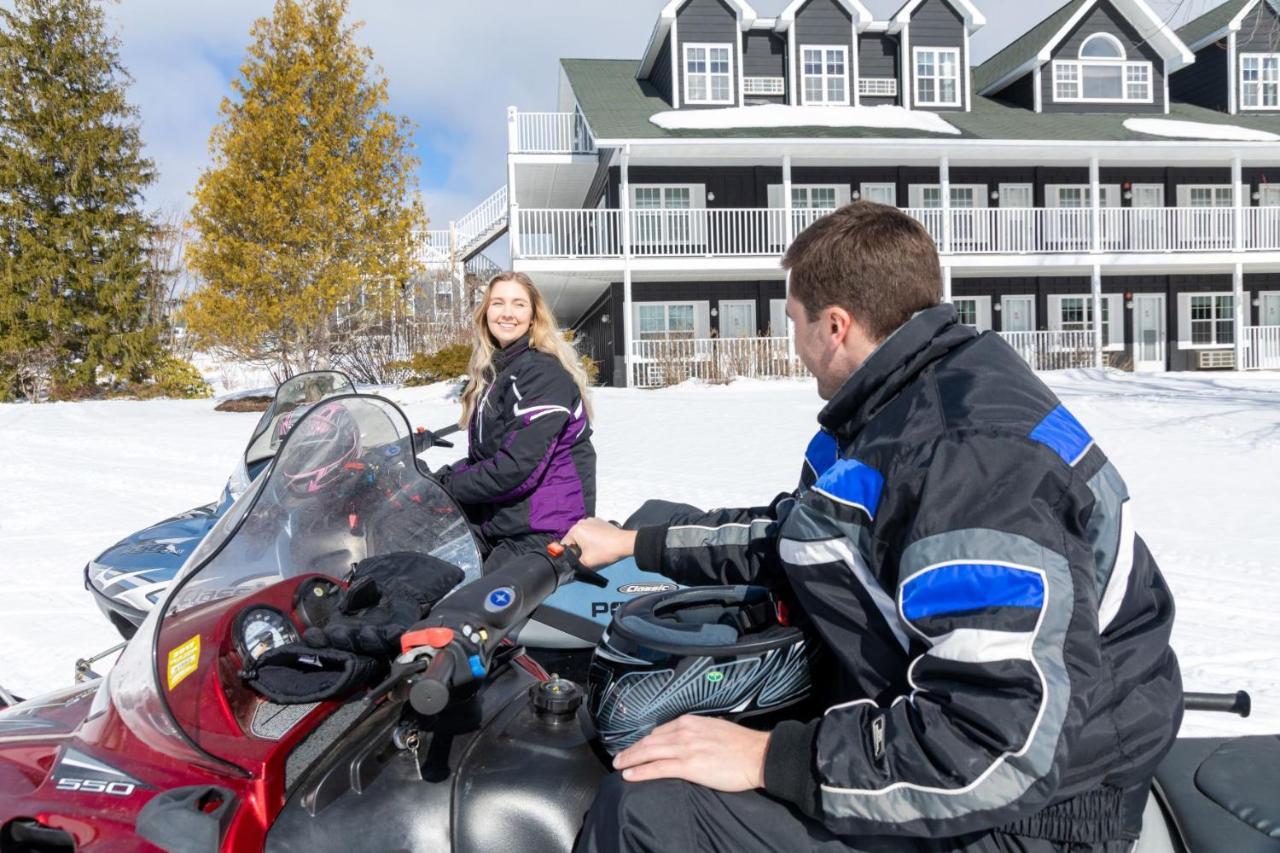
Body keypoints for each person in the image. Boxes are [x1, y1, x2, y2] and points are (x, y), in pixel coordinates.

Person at [564, 202, 1182, 853]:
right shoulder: (900, 408)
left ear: (835, 326)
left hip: (1021, 817)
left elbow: (996, 744)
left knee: (648, 810)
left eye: (794, 321)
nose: (793, 343)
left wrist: (769, 758)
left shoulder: (966, 458)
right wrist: (636, 543)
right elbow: (800, 534)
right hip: (945, 747)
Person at [435, 271, 596, 571]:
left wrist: (446, 488)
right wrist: (434, 479)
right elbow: (485, 459)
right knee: (424, 557)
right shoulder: (498, 372)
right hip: (503, 521)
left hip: (546, 531)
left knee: (467, 608)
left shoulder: (542, 374)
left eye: (519, 304)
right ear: (486, 314)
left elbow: (515, 468)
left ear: (534, 317)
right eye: (498, 303)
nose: (507, 313)